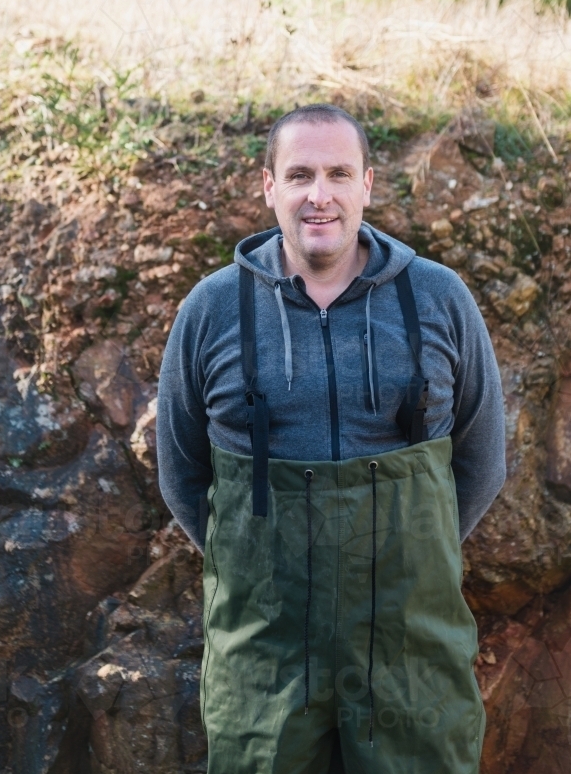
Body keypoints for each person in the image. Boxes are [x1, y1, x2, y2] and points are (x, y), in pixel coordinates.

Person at [156, 103, 506, 774]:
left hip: (411, 649)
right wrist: (253, 561)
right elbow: (181, 472)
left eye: (338, 173)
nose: (319, 195)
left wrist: (412, 553)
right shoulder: (210, 308)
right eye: (299, 175)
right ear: (268, 187)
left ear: (367, 185)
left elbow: (481, 460)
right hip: (264, 654)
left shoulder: (437, 298)